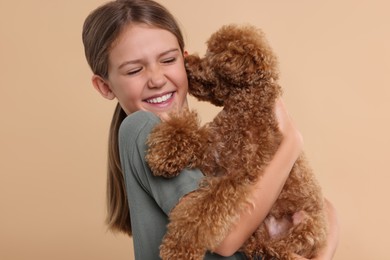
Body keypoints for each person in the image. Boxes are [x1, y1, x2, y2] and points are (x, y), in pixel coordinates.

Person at [82, 0, 339, 259]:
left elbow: (325, 209)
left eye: (168, 60)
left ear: (186, 62)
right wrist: (291, 143)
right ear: (105, 86)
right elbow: (224, 238)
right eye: (135, 70)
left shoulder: (205, 147)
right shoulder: (141, 127)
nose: (157, 79)